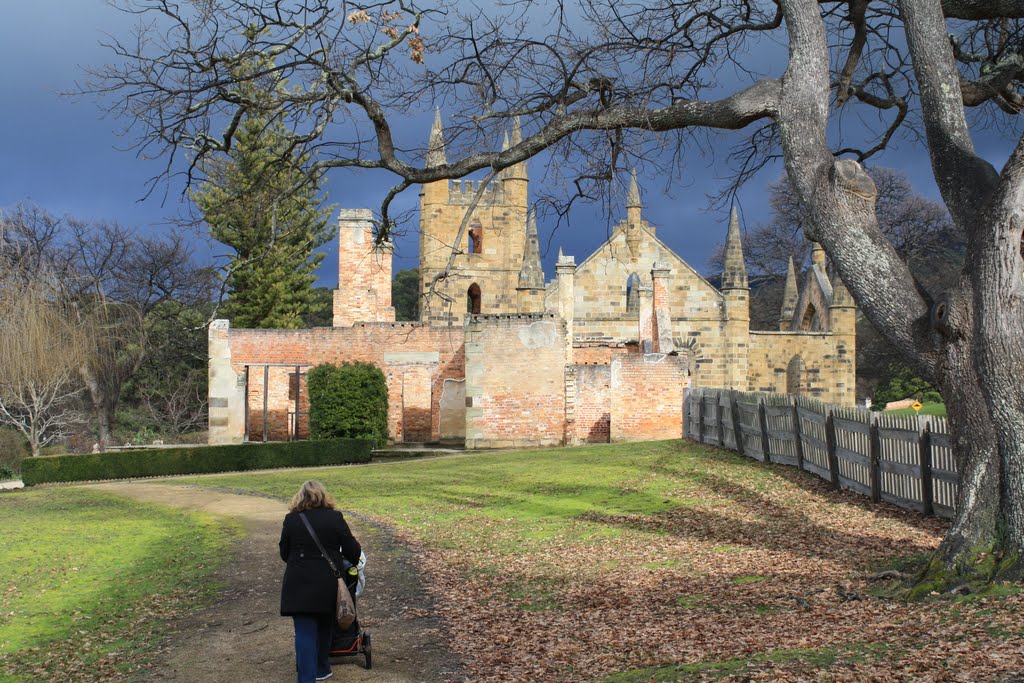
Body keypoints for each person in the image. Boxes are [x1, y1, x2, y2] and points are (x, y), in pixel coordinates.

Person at [279, 480, 361, 683]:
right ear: (324, 496)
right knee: (325, 625)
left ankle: (307, 678)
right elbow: (354, 550)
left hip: (298, 581)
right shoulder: (335, 518)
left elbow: (284, 553)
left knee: (304, 630)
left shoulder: (291, 520)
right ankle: (322, 668)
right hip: (328, 581)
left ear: (300, 498)